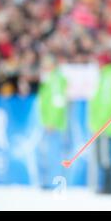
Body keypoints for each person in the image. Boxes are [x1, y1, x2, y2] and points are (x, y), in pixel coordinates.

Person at [88, 53, 111, 194]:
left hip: (104, 125)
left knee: (105, 156)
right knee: (103, 155)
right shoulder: (106, 75)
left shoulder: (110, 76)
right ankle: (105, 185)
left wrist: (101, 123)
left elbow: (107, 101)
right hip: (102, 124)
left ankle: (108, 186)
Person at [37, 56, 68, 189]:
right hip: (48, 121)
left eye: (46, 64)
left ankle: (53, 182)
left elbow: (58, 103)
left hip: (53, 124)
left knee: (53, 153)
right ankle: (48, 181)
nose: (43, 67)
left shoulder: (55, 80)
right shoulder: (51, 79)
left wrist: (52, 122)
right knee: (48, 152)